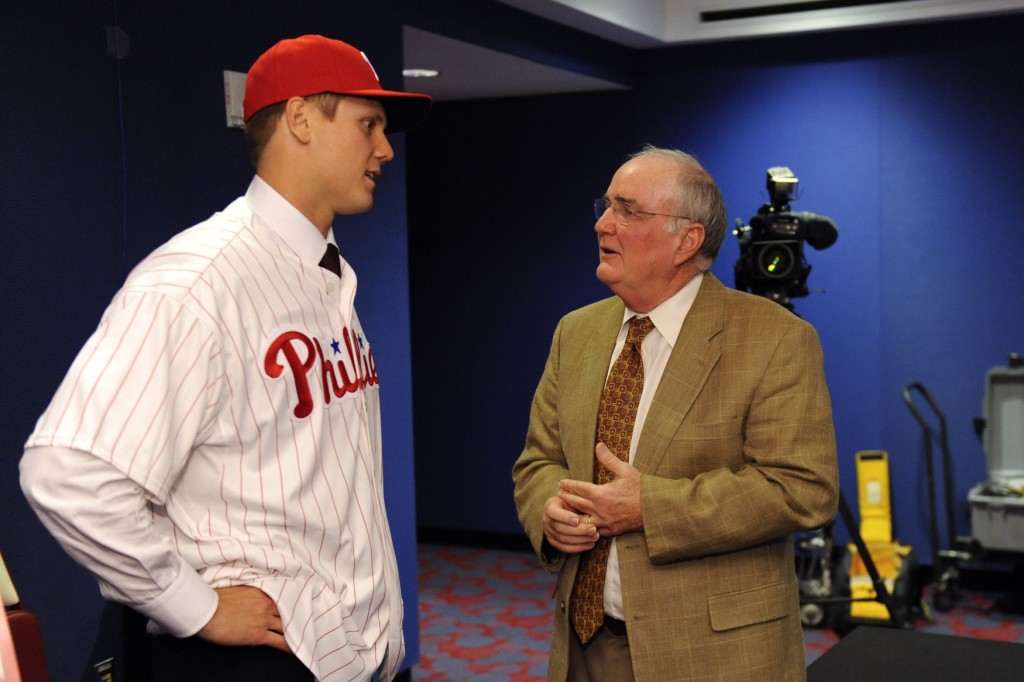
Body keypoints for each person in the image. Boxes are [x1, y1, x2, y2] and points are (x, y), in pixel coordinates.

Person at [20, 34, 430, 682]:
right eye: (368, 124)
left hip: (342, 651)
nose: (384, 148)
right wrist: (193, 605)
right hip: (249, 661)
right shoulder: (196, 281)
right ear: (299, 119)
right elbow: (66, 470)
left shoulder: (325, 271)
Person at [512, 145, 839, 682]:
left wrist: (651, 507)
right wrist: (549, 510)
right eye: (605, 206)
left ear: (686, 240)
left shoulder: (776, 338)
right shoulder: (577, 332)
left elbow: (802, 488)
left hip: (713, 656)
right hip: (584, 643)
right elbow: (538, 461)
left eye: (628, 210)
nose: (602, 224)